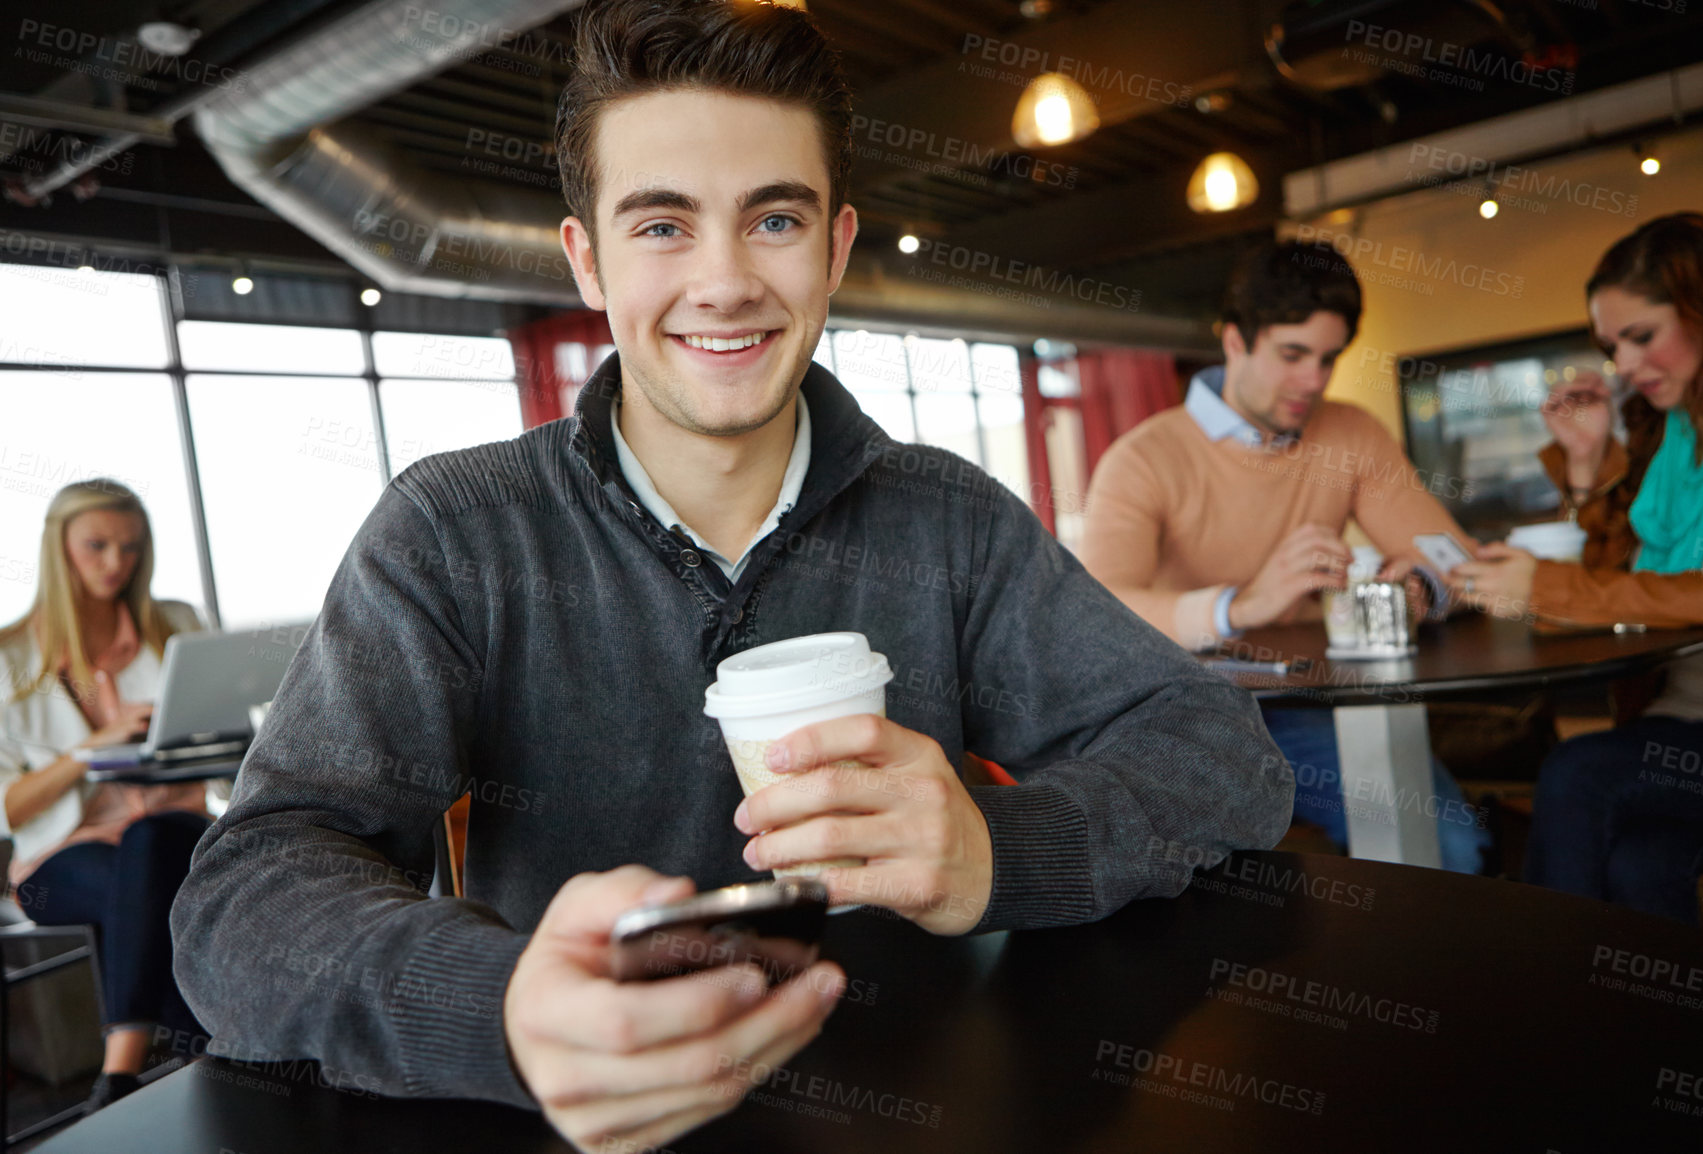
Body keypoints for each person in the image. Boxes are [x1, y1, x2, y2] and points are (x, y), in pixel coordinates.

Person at [169, 3, 1294, 1152]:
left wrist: (1000, 850)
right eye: (661, 225)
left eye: (772, 219)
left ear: (836, 247)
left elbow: (1220, 757)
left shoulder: (945, 518)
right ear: (588, 261)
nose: (723, 282)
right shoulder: (457, 530)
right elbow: (247, 897)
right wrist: (497, 1003)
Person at [1080, 241, 1491, 874]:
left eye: (1329, 359)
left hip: (1321, 703)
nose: (1314, 382)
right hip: (1190, 715)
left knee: (1449, 845)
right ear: (1235, 341)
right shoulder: (1143, 460)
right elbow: (1100, 618)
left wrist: (1418, 586)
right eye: (1292, 355)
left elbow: (1452, 561)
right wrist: (1240, 606)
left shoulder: (1351, 433)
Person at [1451, 212, 1703, 921]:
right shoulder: (1657, 431)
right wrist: (1583, 462)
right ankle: (1655, 1029)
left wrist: (1549, 586)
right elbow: (1619, 578)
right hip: (1682, 723)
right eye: (1614, 346)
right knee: (1639, 867)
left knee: (1576, 772)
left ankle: (1549, 1010)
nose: (1628, 364)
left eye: (1643, 335)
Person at [0, 479, 209, 1112]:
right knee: (155, 885)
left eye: (129, 547)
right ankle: (207, 1058)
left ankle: (121, 1075)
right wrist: (91, 751)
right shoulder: (10, 657)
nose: (115, 563)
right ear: (58, 548)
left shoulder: (174, 625)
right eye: (97, 546)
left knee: (153, 846)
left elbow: (226, 739)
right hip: (59, 860)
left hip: (178, 830)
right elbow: (10, 808)